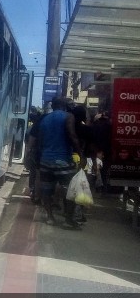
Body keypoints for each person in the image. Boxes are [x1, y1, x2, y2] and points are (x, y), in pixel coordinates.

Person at [36, 97, 84, 228]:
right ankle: (68, 219)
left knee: (46, 190)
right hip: (63, 160)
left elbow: (39, 141)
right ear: (64, 106)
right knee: (70, 191)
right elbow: (72, 136)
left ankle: (50, 217)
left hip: (46, 160)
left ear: (53, 105)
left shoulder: (45, 119)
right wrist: (81, 154)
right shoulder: (68, 116)